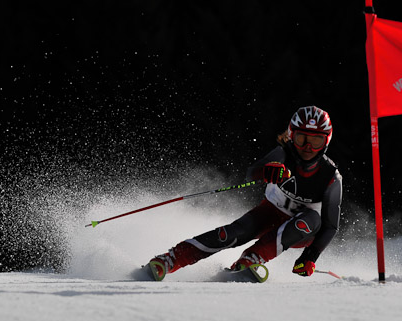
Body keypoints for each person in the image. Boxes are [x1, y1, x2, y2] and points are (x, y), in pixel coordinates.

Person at [146, 105, 342, 281]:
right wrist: (267, 170)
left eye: (316, 141)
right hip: (270, 213)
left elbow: (330, 226)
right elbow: (251, 173)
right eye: (302, 139)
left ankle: (252, 258)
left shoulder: (331, 176)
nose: (308, 147)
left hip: (304, 231)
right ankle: (170, 260)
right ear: (292, 136)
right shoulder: (282, 154)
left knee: (309, 218)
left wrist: (309, 257)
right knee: (232, 233)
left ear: (326, 141)